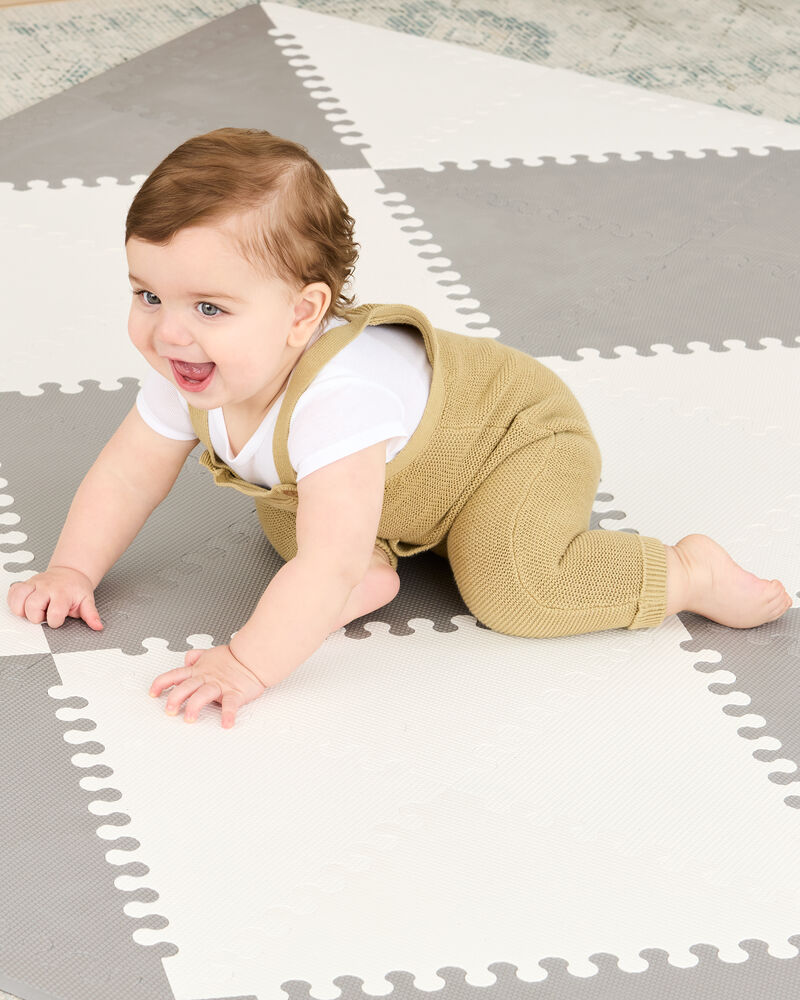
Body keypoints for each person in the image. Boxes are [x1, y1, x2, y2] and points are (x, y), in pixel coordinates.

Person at [7, 128, 792, 729]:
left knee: (514, 590)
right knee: (301, 528)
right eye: (148, 295)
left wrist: (245, 663)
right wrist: (73, 570)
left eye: (208, 308)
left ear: (304, 313)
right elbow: (126, 472)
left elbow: (313, 561)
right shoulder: (194, 371)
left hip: (507, 446)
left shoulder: (338, 399)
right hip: (390, 482)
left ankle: (689, 572)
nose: (168, 334)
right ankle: (362, 568)